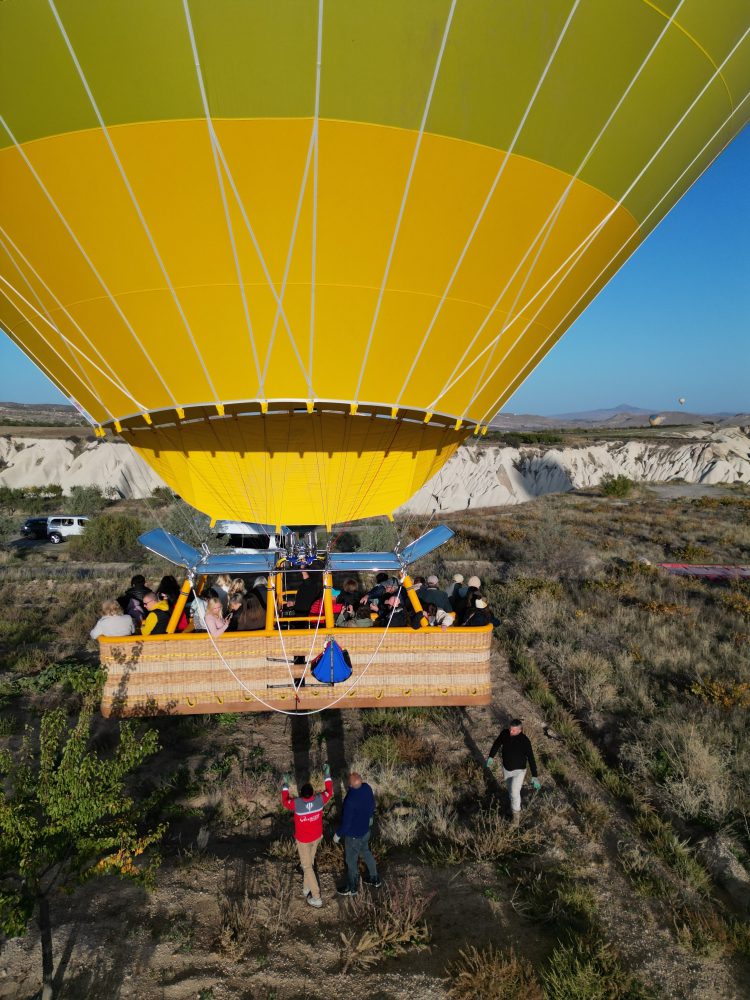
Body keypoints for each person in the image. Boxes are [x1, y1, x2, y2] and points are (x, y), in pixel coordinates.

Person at [282, 765, 334, 908]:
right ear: (313, 792)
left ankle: (316, 897)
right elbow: (329, 791)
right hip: (316, 836)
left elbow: (285, 801)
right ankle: (306, 887)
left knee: (307, 866)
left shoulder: (296, 803)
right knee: (310, 861)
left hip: (303, 840)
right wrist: (327, 774)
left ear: (300, 793)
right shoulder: (319, 799)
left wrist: (285, 784)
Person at [334, 772, 381, 896]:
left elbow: (347, 823)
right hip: (365, 831)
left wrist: (338, 835)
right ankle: (375, 878)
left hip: (353, 836)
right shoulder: (367, 787)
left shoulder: (350, 801)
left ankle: (352, 887)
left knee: (351, 861)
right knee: (366, 852)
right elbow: (372, 804)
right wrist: (369, 816)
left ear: (350, 785)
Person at [486, 719, 540, 821]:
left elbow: (531, 758)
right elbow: (497, 744)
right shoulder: (504, 734)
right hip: (506, 769)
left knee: (515, 792)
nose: (510, 731)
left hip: (519, 771)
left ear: (520, 731)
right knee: (511, 791)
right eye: (510, 729)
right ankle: (513, 807)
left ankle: (516, 817)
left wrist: (535, 775)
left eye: (513, 730)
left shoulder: (525, 741)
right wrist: (491, 756)